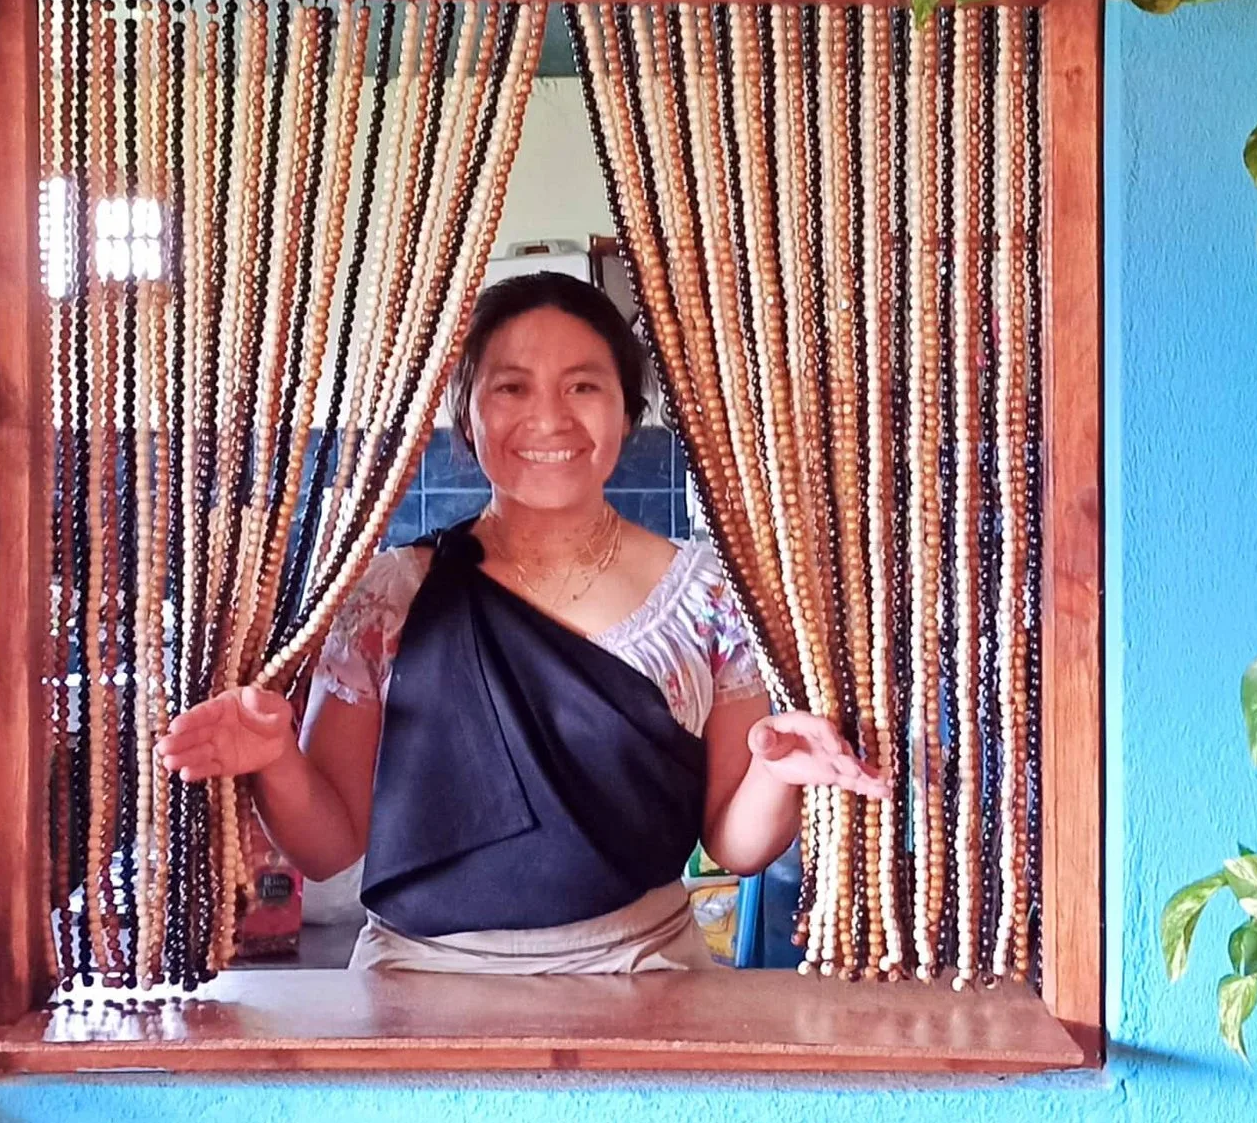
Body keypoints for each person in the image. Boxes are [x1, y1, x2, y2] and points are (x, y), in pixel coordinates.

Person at [154, 271, 888, 974]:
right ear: (467, 419)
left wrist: (776, 772)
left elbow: (734, 845)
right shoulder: (389, 596)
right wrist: (276, 759)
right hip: (418, 987)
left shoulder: (707, 597)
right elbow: (328, 847)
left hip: (644, 976)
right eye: (511, 387)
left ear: (627, 412)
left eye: (584, 387)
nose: (549, 418)